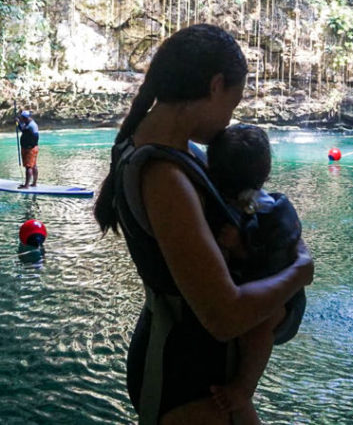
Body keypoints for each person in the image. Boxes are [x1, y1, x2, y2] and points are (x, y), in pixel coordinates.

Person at [94, 24, 314, 425]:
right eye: (233, 103)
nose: (231, 118)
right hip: (186, 378)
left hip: (198, 369)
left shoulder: (178, 154)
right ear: (215, 86)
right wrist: (300, 271)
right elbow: (224, 315)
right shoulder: (165, 177)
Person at [204, 123, 306, 421]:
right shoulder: (225, 204)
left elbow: (279, 259)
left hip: (284, 302)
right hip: (255, 293)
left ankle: (244, 388)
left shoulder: (272, 209)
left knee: (261, 327)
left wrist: (242, 250)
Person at [17, 110, 39, 188]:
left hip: (30, 149)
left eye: (22, 118)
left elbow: (34, 137)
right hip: (33, 148)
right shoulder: (30, 123)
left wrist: (29, 146)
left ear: (25, 118)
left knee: (28, 167)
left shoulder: (31, 126)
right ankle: (34, 183)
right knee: (34, 165)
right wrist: (18, 123)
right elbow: (23, 129)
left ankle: (26, 185)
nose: (22, 119)